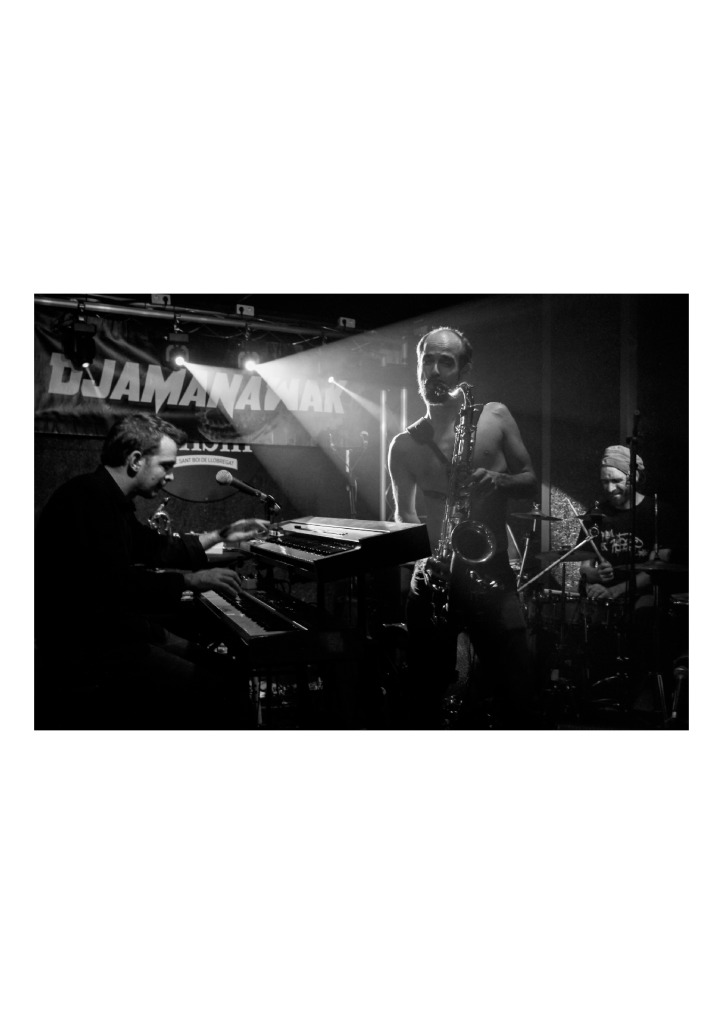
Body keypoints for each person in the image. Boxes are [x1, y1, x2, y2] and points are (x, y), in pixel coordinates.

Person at [35, 413, 269, 729]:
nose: (169, 477)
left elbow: (154, 547)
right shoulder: (87, 499)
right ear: (135, 460)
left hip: (114, 633)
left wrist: (222, 534)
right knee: (217, 690)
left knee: (227, 669)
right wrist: (192, 580)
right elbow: (115, 585)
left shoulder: (107, 499)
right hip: (87, 652)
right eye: (166, 466)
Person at [388, 326, 539, 728]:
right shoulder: (404, 445)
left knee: (517, 691)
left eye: (446, 362)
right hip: (435, 577)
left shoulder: (495, 416)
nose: (435, 371)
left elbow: (530, 480)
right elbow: (404, 517)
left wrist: (500, 480)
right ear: (418, 366)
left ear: (464, 370)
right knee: (423, 697)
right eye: (428, 361)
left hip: (491, 572)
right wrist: (423, 563)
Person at [577, 444, 681, 707]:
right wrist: (595, 574)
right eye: (605, 482)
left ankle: (643, 696)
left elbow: (657, 571)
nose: (610, 488)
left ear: (633, 477)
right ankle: (594, 695)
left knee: (644, 616)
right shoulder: (595, 515)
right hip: (605, 598)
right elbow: (584, 566)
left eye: (616, 481)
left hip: (642, 597)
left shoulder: (658, 513)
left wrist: (614, 590)